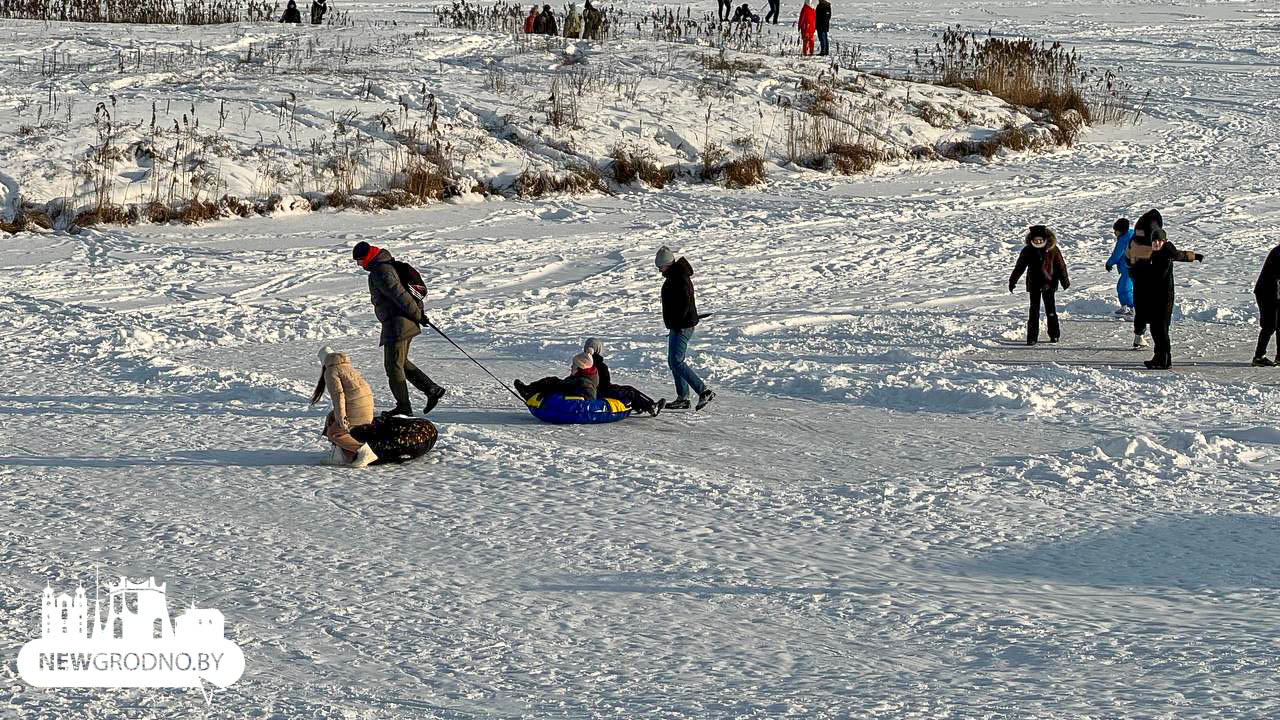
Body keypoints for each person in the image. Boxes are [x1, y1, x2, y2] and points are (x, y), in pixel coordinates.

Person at [351, 242, 446, 417]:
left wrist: (418, 315)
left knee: (393, 366)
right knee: (400, 362)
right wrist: (418, 314)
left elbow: (401, 296)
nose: (359, 264)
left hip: (398, 324)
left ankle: (404, 407)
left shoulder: (381, 272)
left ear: (367, 257)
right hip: (401, 322)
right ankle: (431, 389)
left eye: (359, 260)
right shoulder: (385, 267)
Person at [1127, 221, 1204, 369]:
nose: (1156, 243)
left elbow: (1157, 275)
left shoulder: (1164, 254)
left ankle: (1162, 359)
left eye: (1159, 241)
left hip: (1163, 298)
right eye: (1154, 241)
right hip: (1158, 297)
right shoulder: (1162, 252)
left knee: (1160, 330)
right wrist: (1194, 256)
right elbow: (1180, 255)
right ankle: (1162, 358)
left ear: (1164, 241)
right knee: (1158, 329)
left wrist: (1140, 271)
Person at [657, 246, 715, 410]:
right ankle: (683, 397)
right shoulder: (674, 276)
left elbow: (684, 303)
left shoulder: (679, 277)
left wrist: (678, 323)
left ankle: (703, 391)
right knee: (673, 361)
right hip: (678, 326)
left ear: (667, 263)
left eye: (660, 265)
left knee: (677, 361)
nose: (659, 269)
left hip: (682, 327)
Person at [310, 346, 378, 467]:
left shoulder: (331, 371)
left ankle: (363, 451)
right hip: (366, 408)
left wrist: (342, 419)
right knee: (331, 418)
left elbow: (338, 396)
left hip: (357, 410)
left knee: (334, 433)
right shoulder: (347, 367)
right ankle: (340, 455)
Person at [1008, 225, 1070, 345]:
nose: (1038, 242)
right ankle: (1032, 338)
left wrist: (1064, 281)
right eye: (1035, 240)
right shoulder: (1027, 250)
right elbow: (1019, 267)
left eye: (1040, 240)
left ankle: (1054, 335)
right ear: (1031, 240)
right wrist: (1012, 281)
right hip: (1034, 284)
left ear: (1045, 239)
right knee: (1034, 311)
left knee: (1050, 310)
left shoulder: (1053, 249)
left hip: (1049, 283)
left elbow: (1061, 266)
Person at [584, 337, 665, 416]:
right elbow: (604, 384)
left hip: (590, 391)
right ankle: (651, 405)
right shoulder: (600, 365)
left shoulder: (581, 362)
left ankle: (639, 406)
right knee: (629, 391)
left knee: (622, 389)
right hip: (600, 393)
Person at [515, 352, 600, 401]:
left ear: (581, 368)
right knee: (551, 381)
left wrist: (549, 394)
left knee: (552, 383)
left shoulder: (585, 382)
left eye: (574, 365)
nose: (571, 366)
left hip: (568, 400)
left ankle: (528, 392)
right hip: (567, 391)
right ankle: (528, 390)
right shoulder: (581, 376)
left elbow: (589, 397)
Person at [1253, 242, 1280, 366]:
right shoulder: (1278, 252)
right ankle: (1259, 357)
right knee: (1270, 325)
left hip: (1275, 292)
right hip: (1267, 293)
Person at [1106, 217, 1136, 320]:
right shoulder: (1130, 234)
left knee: (1125, 288)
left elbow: (1117, 254)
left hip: (1130, 268)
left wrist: (1109, 263)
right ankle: (1125, 307)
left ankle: (1133, 308)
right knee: (1121, 287)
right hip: (1128, 268)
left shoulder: (1124, 239)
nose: (1114, 233)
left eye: (1116, 231)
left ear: (1121, 231)